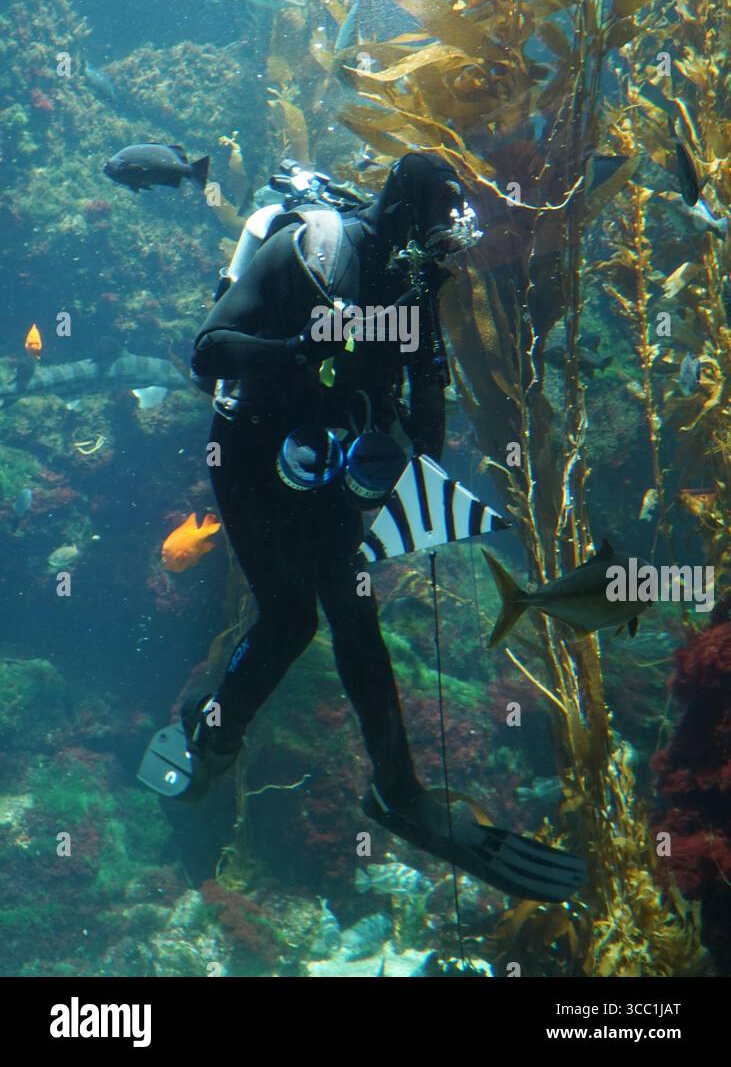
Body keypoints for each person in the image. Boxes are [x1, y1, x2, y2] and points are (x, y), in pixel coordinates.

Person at [174, 153, 584, 901]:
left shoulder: (413, 283)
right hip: (251, 449)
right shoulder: (311, 251)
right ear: (401, 219)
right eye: (434, 242)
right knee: (292, 618)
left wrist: (416, 460)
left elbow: (425, 380)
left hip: (328, 458)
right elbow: (207, 353)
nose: (441, 262)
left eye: (447, 249)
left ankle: (396, 791)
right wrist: (301, 352)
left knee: (353, 618)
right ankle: (211, 742)